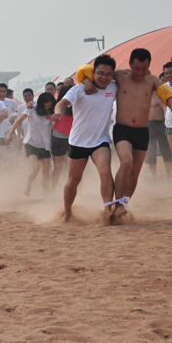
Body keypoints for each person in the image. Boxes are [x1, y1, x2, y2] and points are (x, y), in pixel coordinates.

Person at [81, 48, 172, 217]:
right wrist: (86, 81)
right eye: (136, 68)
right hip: (122, 129)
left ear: (149, 66)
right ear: (130, 64)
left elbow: (166, 95)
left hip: (142, 130)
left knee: (134, 175)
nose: (140, 72)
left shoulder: (152, 80)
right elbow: (92, 71)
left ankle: (122, 204)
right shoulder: (119, 75)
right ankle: (115, 203)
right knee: (126, 163)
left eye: (144, 68)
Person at [53, 55, 117, 222]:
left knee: (105, 171)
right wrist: (58, 112)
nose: (104, 77)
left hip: (100, 140)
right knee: (73, 180)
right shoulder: (80, 89)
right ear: (93, 73)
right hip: (78, 141)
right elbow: (61, 103)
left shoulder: (114, 88)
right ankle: (67, 213)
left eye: (109, 74)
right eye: (100, 73)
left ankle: (107, 210)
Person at [7, 91, 55, 196]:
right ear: (41, 104)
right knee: (36, 168)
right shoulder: (31, 109)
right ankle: (29, 184)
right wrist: (10, 134)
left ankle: (46, 193)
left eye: (50, 106)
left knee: (46, 171)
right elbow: (18, 121)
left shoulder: (52, 111)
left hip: (45, 145)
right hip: (31, 143)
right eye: (46, 106)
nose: (47, 108)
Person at [145, 72, 172, 179]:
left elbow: (165, 109)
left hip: (161, 123)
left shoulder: (159, 93)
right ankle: (154, 176)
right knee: (150, 150)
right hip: (149, 124)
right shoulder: (143, 94)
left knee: (165, 148)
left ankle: (169, 174)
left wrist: (167, 125)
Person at [50, 84, 74, 189]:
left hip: (72, 139)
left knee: (74, 168)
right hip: (58, 138)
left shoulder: (79, 105)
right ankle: (52, 188)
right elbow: (40, 104)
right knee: (58, 167)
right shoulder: (55, 104)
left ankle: (75, 190)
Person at [0, 83, 17, 174]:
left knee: (9, 157)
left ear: (6, 92)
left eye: (4, 91)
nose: (2, 93)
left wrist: (13, 118)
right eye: (0, 91)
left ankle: (12, 178)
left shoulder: (10, 102)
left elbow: (20, 112)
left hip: (7, 133)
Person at [15, 88, 34, 161]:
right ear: (23, 97)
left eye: (29, 95)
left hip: (37, 137)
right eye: (25, 96)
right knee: (25, 154)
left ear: (33, 96)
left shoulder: (37, 106)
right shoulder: (21, 108)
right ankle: (27, 170)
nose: (27, 98)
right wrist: (19, 135)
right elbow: (18, 122)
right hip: (26, 136)